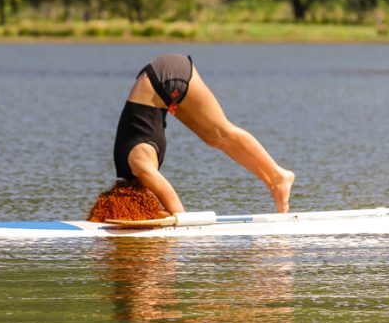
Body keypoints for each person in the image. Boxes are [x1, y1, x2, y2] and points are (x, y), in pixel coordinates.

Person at [112, 53, 295, 216]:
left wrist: (183, 223)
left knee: (222, 132)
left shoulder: (139, 166)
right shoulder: (132, 167)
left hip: (167, 76)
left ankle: (279, 176)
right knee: (215, 138)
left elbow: (174, 204)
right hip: (161, 82)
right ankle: (274, 180)